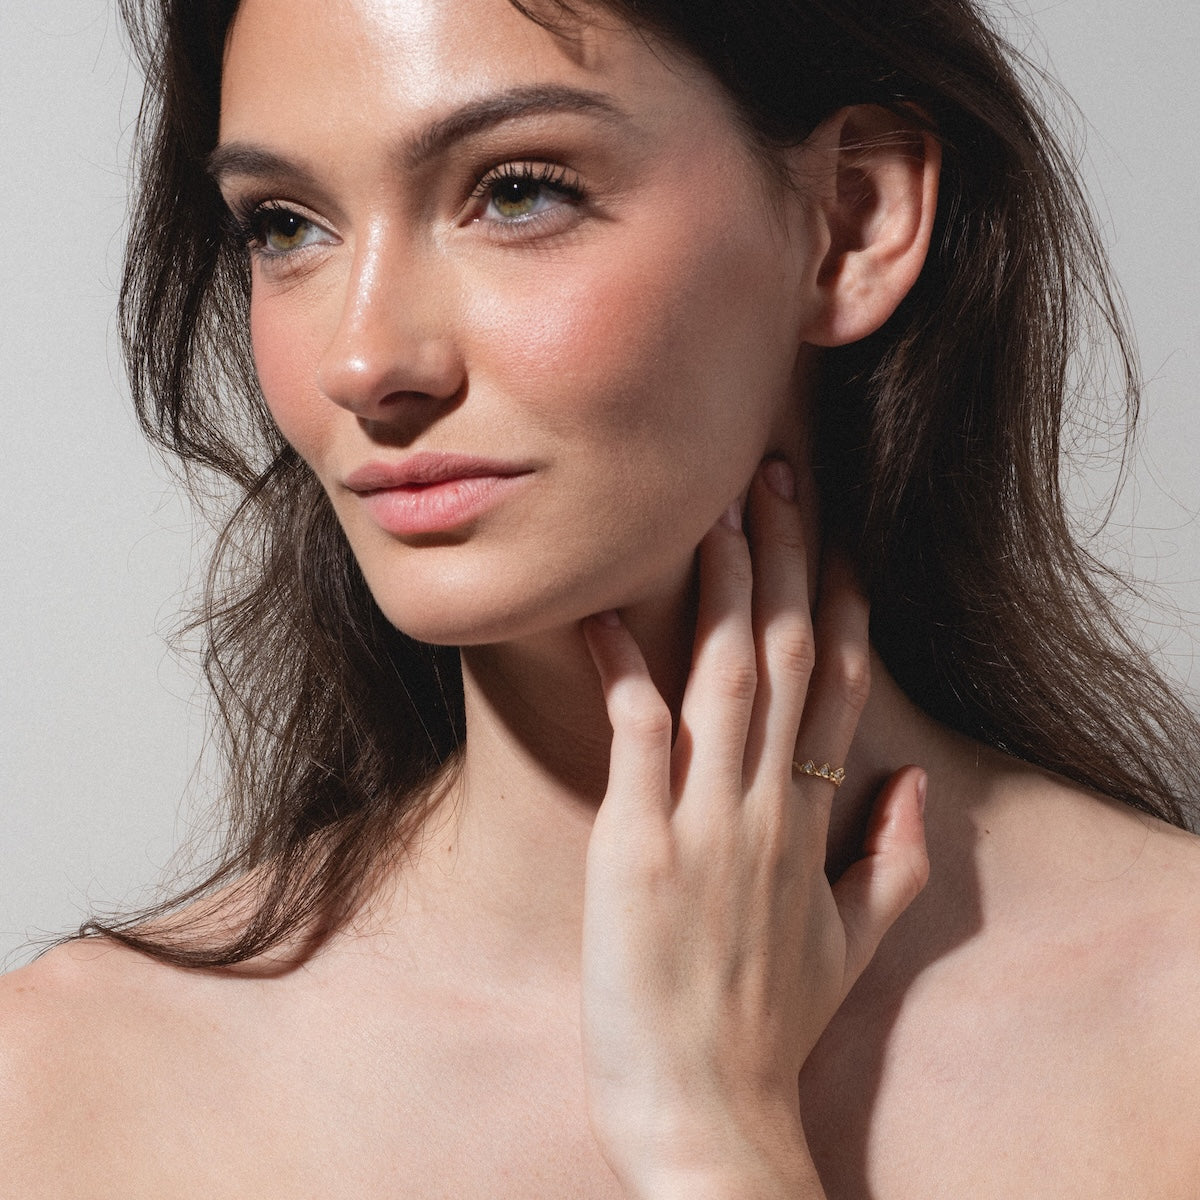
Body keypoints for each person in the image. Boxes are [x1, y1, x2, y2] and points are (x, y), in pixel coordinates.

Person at [3, 0, 1200, 1194]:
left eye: (518, 190)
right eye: (286, 225)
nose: (363, 361)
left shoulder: (1169, 1030)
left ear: (854, 218)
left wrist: (715, 1139)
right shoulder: (67, 1087)